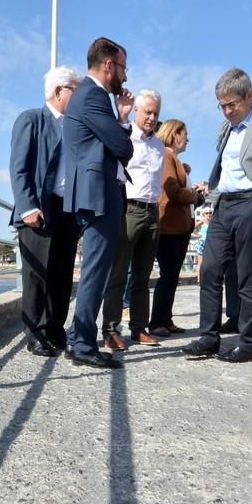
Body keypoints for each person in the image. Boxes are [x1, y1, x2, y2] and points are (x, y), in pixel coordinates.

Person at [182, 68, 252, 363]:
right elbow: (225, 173)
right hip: (224, 206)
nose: (227, 111)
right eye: (222, 106)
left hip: (251, 203)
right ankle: (208, 338)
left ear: (249, 95)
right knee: (209, 271)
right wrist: (213, 201)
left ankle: (248, 342)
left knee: (247, 276)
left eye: (232, 104)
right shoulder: (227, 129)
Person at [62, 37, 135, 369]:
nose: (125, 75)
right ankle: (81, 343)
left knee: (96, 270)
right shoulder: (92, 96)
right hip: (98, 195)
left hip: (98, 193)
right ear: (109, 65)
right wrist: (122, 124)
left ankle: (79, 339)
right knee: (95, 271)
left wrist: (118, 118)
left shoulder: (93, 97)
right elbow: (122, 146)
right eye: (123, 67)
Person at [9, 65, 83, 357]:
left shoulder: (75, 126)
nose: (79, 97)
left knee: (62, 275)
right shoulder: (31, 119)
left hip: (67, 209)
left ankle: (55, 329)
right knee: (37, 275)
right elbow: (19, 167)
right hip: (39, 207)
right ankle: (35, 334)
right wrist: (27, 206)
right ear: (57, 91)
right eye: (74, 90)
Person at [101, 90, 165, 350]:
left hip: (152, 212)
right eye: (147, 112)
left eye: (156, 113)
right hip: (128, 209)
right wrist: (121, 116)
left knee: (142, 276)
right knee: (118, 274)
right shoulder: (124, 137)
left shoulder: (159, 145)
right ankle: (110, 330)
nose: (151, 117)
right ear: (137, 110)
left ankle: (139, 328)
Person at [148, 119, 207, 337]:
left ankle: (165, 319)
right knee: (168, 275)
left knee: (171, 276)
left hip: (178, 227)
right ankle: (157, 323)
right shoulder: (166, 155)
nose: (188, 139)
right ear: (175, 135)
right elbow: (172, 190)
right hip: (169, 227)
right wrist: (196, 196)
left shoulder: (173, 158)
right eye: (185, 134)